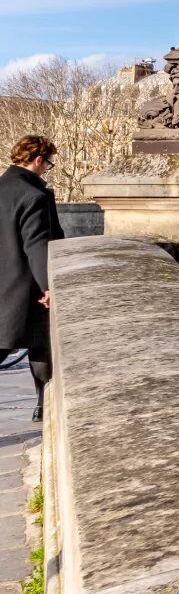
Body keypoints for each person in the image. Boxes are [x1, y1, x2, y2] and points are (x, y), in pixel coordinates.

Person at [1, 136, 62, 422]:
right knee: (40, 342)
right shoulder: (33, 196)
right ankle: (43, 404)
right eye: (49, 163)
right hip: (24, 285)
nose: (48, 168)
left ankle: (43, 404)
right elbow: (37, 245)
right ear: (38, 160)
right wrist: (49, 286)